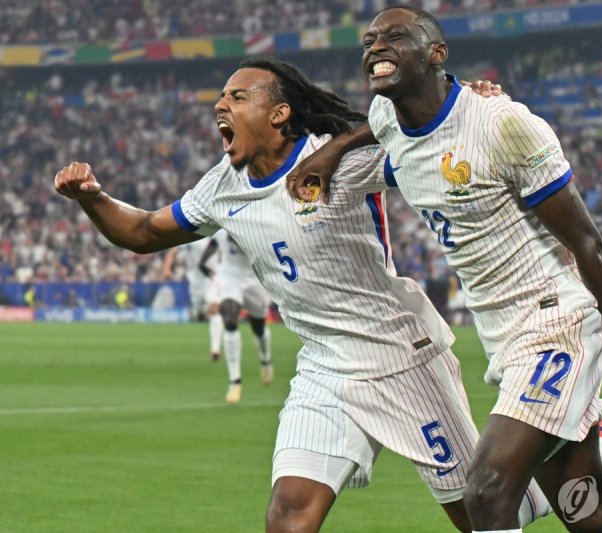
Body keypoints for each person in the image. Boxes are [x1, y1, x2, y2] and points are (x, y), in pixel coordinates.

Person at [286, 6, 602, 531]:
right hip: (503, 336)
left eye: (395, 37)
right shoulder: (385, 118)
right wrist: (333, 150)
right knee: (590, 512)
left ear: (436, 54)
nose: (375, 47)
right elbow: (374, 131)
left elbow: (590, 245)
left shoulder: (502, 125)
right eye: (369, 40)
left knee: (488, 491)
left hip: (557, 320)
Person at [55, 59, 497, 533]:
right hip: (323, 367)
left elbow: (422, 145)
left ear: (279, 113)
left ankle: (586, 446)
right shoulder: (223, 185)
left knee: (483, 514)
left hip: (399, 358)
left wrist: (467, 108)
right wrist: (92, 199)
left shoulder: (334, 159)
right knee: (287, 519)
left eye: (238, 96)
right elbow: (143, 232)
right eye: (222, 97)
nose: (221, 104)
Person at [200, 228, 274, 403]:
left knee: (259, 328)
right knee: (230, 320)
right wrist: (204, 265)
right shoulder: (222, 229)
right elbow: (211, 247)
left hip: (255, 281)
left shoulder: (257, 229)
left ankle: (265, 360)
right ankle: (235, 381)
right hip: (230, 279)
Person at [163, 238, 224, 362]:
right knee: (199, 315)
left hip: (211, 279)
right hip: (195, 283)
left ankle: (215, 348)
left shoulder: (215, 236)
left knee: (215, 309)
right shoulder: (190, 236)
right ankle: (200, 313)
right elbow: (172, 253)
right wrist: (166, 269)